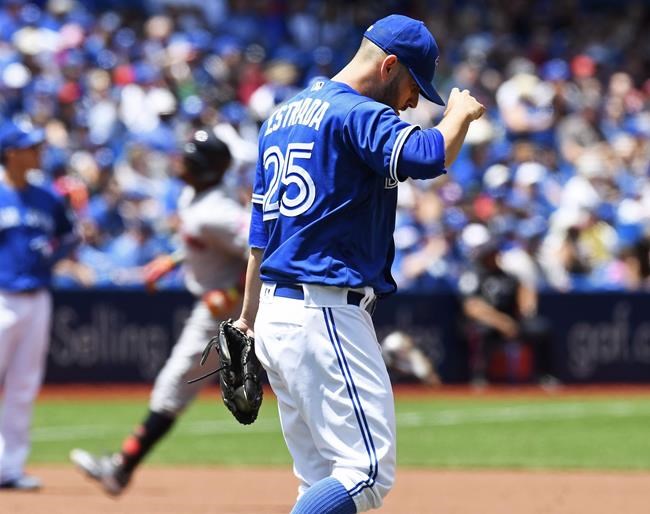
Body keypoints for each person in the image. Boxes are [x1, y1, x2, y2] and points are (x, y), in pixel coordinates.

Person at [233, 14, 484, 513]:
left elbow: (260, 238)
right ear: (389, 65)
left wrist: (246, 320)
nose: (415, 101)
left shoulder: (280, 118)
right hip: (323, 310)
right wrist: (458, 114)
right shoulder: (354, 111)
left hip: (277, 316)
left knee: (319, 481)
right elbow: (428, 155)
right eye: (415, 85)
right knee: (365, 472)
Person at [69, 128, 250, 496]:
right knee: (174, 385)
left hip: (240, 310)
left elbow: (263, 255)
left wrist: (232, 291)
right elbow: (202, 241)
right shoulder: (195, 198)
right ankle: (121, 467)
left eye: (188, 159)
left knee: (177, 384)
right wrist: (170, 260)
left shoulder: (218, 212)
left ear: (203, 170)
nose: (178, 162)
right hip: (220, 307)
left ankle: (120, 468)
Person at [0, 120, 79, 490]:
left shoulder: (46, 197)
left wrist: (53, 251)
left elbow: (68, 234)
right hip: (2, 297)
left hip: (37, 298)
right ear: (11, 153)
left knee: (23, 385)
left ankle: (9, 468)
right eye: (31, 147)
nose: (38, 153)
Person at [458, 223, 555, 387]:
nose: (495, 256)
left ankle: (544, 376)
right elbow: (472, 307)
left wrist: (525, 310)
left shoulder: (506, 274)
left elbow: (525, 291)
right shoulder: (474, 275)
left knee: (541, 329)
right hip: (489, 323)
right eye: (491, 253)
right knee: (482, 331)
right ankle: (480, 378)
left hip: (511, 322)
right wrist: (502, 322)